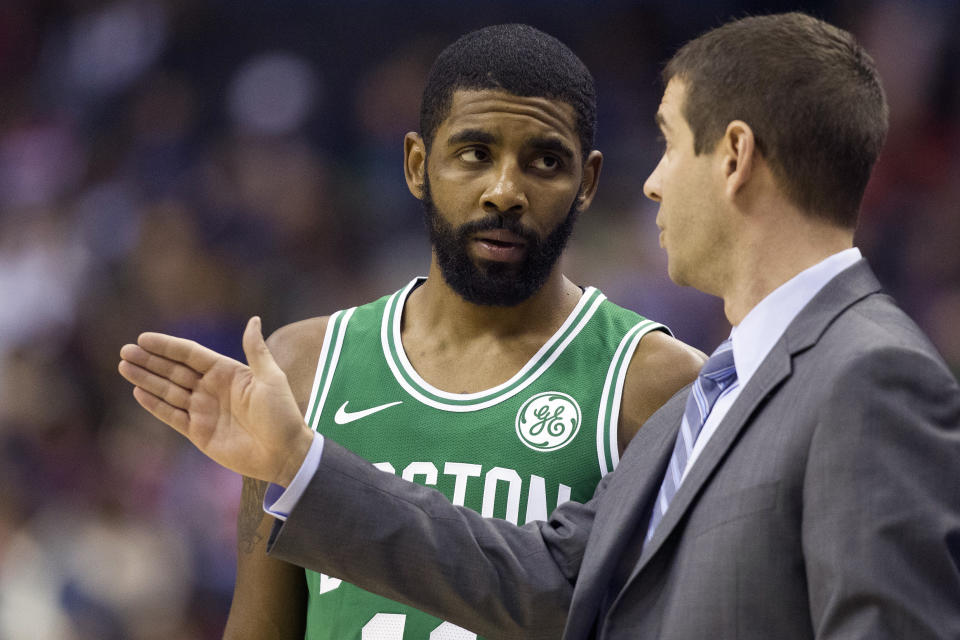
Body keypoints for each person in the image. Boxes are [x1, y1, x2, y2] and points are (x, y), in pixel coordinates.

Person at [119, 12, 960, 640]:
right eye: (474, 153)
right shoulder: (731, 386)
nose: (654, 183)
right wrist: (298, 467)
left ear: (733, 157)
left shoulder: (861, 374)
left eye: (668, 145)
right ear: (418, 164)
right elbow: (549, 581)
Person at [174, 24, 704, 640]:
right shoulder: (301, 365)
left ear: (586, 183)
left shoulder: (656, 383)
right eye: (475, 153)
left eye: (545, 161)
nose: (505, 191)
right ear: (418, 164)